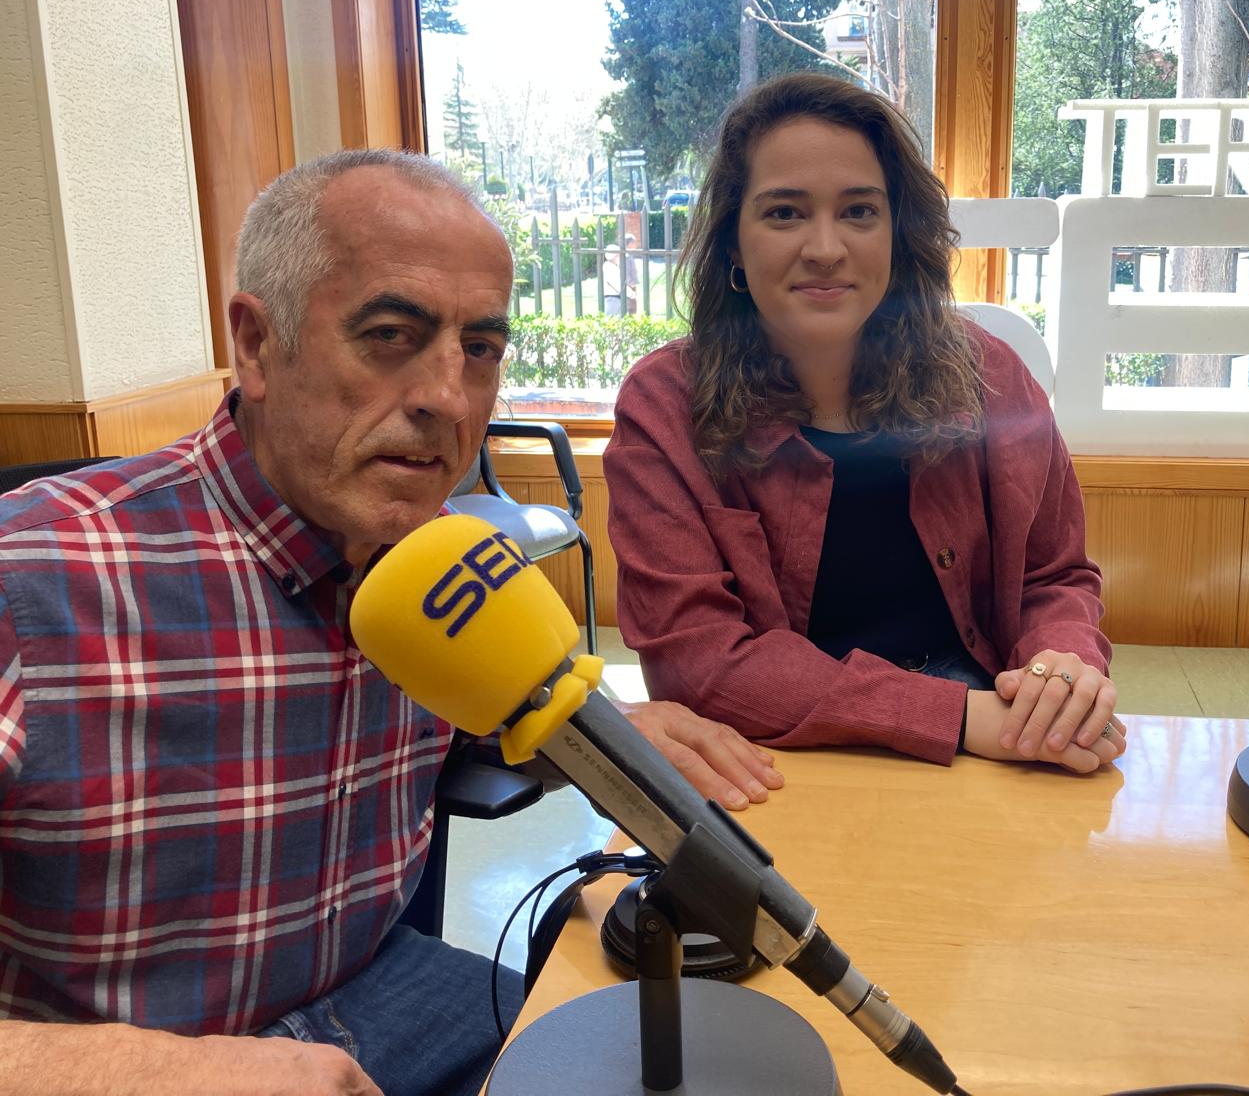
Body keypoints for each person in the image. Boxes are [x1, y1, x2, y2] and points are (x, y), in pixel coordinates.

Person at [0, 150, 781, 1096]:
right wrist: (151, 1071)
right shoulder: (33, 579)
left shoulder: (443, 562)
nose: (450, 399)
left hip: (389, 997)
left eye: (481, 350)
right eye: (389, 333)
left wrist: (586, 735)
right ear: (255, 343)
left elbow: (484, 718)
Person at [604, 73, 1126, 774]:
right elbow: (699, 662)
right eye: (784, 213)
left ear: (897, 235)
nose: (825, 248)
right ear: (732, 242)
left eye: (859, 212)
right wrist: (956, 714)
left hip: (993, 732)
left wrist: (1061, 670)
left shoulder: (991, 375)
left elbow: (1054, 574)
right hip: (774, 752)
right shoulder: (664, 404)